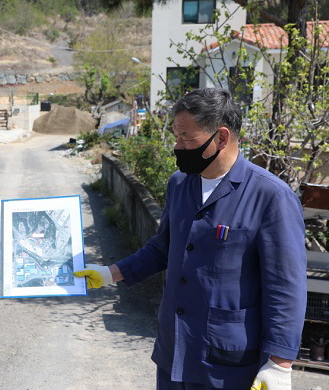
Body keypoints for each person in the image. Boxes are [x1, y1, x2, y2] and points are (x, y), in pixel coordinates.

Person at [75, 88, 306, 390]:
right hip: (175, 353)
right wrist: (109, 274)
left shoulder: (270, 196)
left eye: (186, 137)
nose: (177, 145)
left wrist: (280, 364)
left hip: (227, 365)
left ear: (221, 138)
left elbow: (286, 287)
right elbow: (163, 247)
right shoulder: (180, 184)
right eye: (176, 135)